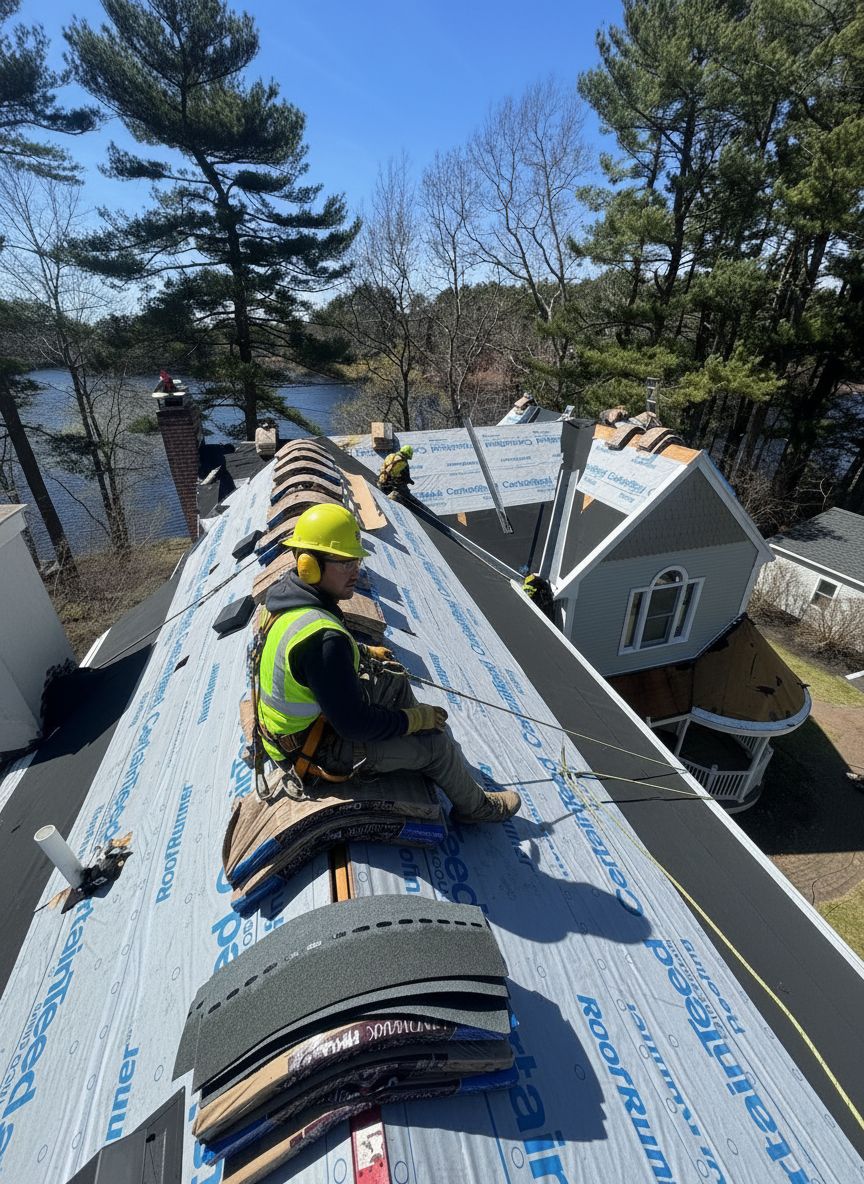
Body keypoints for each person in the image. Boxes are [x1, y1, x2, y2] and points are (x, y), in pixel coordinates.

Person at [254, 502, 521, 824]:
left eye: (357, 560)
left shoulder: (287, 598)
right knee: (436, 746)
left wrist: (364, 652)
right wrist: (414, 721)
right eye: (346, 561)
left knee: (393, 678)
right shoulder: (323, 640)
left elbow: (308, 665)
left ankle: (415, 748)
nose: (357, 571)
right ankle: (476, 808)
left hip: (296, 730)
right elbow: (353, 725)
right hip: (311, 751)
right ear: (310, 564)